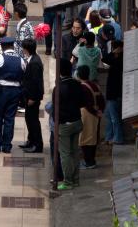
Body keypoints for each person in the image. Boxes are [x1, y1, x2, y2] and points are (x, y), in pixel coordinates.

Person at [0, 36, 26, 154]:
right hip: (15, 92)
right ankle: (7, 146)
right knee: (9, 118)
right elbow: (24, 73)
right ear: (13, 46)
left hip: (0, 91)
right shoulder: (20, 59)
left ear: (1, 47)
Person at [53, 58, 83, 191]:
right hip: (77, 121)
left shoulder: (59, 88)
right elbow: (82, 102)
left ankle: (68, 181)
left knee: (65, 154)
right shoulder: (77, 84)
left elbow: (55, 109)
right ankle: (76, 179)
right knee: (75, 152)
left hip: (64, 124)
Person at [77, 64, 105, 169]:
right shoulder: (95, 85)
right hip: (96, 115)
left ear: (79, 75)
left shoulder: (82, 87)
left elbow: (86, 103)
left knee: (84, 139)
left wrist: (93, 111)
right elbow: (102, 100)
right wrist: (100, 111)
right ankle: (91, 160)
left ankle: (88, 162)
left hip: (87, 115)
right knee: (93, 138)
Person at [19, 38, 44, 153]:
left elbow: (35, 82)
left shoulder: (35, 63)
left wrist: (33, 98)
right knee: (29, 119)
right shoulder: (31, 59)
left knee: (33, 120)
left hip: (33, 97)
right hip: (28, 96)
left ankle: (37, 144)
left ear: (26, 49)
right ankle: (31, 140)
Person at [102, 40, 124, 145]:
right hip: (112, 93)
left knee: (114, 118)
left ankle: (117, 138)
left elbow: (106, 59)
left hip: (115, 93)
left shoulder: (121, 59)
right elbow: (105, 59)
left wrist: (115, 54)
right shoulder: (115, 58)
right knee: (109, 116)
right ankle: (109, 137)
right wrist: (114, 53)